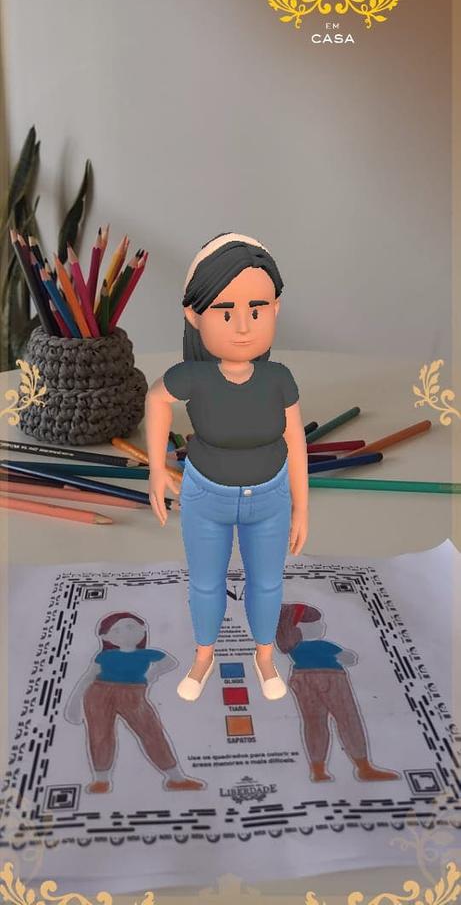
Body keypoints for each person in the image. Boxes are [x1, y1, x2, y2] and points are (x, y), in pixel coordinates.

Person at [145, 233, 308, 702]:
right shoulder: (193, 376)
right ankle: (203, 656)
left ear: (275, 309)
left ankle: (264, 655)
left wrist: (302, 507)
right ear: (193, 315)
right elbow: (156, 399)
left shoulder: (280, 379)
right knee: (205, 583)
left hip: (271, 496)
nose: (242, 327)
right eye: (224, 311)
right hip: (205, 496)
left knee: (267, 583)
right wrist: (157, 468)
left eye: (256, 311)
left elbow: (295, 441)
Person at [64, 611, 205, 792]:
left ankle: (176, 778)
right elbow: (88, 677)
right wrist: (74, 704)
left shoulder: (148, 654)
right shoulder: (104, 656)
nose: (125, 633)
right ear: (106, 637)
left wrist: (152, 674)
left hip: (133, 693)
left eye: (130, 627)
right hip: (99, 693)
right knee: (100, 734)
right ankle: (101, 781)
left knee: (151, 730)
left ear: (143, 629)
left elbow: (171, 662)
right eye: (116, 631)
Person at [276, 602, 400, 782]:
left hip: (300, 679)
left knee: (314, 723)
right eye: (317, 623)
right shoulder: (323, 646)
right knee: (347, 719)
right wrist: (345, 655)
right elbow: (349, 659)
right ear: (299, 628)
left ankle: (318, 770)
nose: (322, 625)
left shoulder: (294, 649)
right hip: (331, 678)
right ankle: (363, 767)